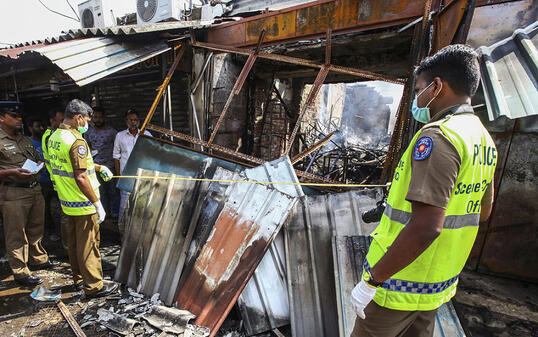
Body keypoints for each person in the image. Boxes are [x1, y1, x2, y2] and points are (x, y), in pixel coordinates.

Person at [350, 45, 497, 337]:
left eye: (419, 89)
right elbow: (483, 211)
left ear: (437, 86)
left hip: (397, 283)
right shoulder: (482, 138)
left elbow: (427, 226)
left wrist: (372, 281)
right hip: (434, 286)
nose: (418, 98)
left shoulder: (439, 136)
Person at [47, 99, 118, 298]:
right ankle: (94, 286)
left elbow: (69, 166)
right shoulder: (76, 141)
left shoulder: (55, 136)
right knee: (89, 246)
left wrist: (97, 167)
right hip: (83, 203)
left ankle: (79, 279)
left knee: (74, 245)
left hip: (66, 202)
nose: (88, 123)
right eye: (87, 119)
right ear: (78, 118)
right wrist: (97, 203)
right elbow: (80, 176)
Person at [0, 102, 59, 286]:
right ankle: (20, 271)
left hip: (34, 189)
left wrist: (40, 165)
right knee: (16, 232)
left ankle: (38, 259)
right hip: (13, 192)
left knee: (36, 228)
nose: (19, 120)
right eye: (14, 116)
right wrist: (11, 172)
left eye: (19, 117)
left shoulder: (24, 139)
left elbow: (36, 158)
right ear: (2, 117)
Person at [113, 109, 151, 222]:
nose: (133, 122)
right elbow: (116, 157)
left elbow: (151, 155)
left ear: (139, 121)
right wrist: (118, 176)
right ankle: (122, 231)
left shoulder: (146, 135)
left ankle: (136, 233)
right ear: (126, 121)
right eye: (131, 120)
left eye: (135, 120)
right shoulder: (120, 136)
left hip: (143, 177)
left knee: (141, 206)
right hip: (126, 177)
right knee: (124, 207)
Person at [42, 107, 69, 252]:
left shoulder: (56, 135)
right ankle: (68, 248)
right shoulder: (51, 137)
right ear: (52, 121)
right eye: (60, 121)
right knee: (64, 216)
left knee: (65, 216)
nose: (64, 123)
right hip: (59, 182)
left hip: (61, 181)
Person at [84, 107, 118, 220]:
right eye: (95, 117)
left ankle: (115, 214)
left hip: (109, 167)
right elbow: (87, 146)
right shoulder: (88, 132)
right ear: (92, 118)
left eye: (100, 117)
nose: (98, 120)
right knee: (101, 192)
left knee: (113, 191)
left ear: (104, 118)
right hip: (95, 167)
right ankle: (105, 214)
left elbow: (117, 148)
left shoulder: (112, 132)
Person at [27, 117, 58, 241]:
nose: (40, 129)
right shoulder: (28, 143)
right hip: (40, 181)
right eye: (37, 126)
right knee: (44, 210)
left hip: (53, 179)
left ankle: (59, 232)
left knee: (60, 208)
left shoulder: (48, 140)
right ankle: (48, 232)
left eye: (42, 126)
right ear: (30, 128)